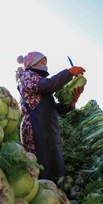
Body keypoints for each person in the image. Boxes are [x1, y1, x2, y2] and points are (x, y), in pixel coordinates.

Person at [15, 51, 85, 180]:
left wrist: (73, 101)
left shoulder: (42, 86)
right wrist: (69, 72)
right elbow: (47, 85)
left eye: (45, 63)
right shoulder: (27, 76)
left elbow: (56, 110)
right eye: (41, 62)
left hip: (48, 133)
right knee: (42, 170)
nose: (45, 65)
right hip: (35, 132)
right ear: (32, 63)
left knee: (54, 170)